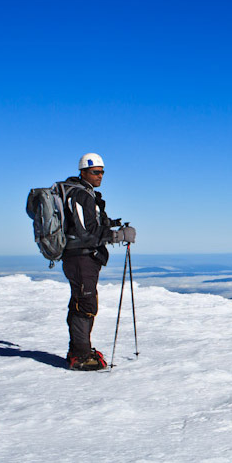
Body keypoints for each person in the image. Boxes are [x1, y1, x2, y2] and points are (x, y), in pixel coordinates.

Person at [61, 153, 136, 371]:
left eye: (102, 172)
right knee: (85, 304)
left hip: (81, 257)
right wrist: (117, 236)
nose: (100, 176)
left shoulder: (84, 194)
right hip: (80, 257)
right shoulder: (80, 195)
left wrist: (112, 224)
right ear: (83, 172)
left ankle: (78, 350)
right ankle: (81, 356)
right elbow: (86, 232)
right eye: (95, 172)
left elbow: (88, 224)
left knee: (81, 302)